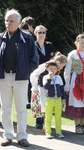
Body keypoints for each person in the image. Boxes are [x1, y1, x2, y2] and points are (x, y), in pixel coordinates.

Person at [0, 9, 39, 147]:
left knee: (21, 108)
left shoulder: (28, 39)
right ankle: (8, 135)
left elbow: (34, 60)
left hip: (21, 78)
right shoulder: (0, 38)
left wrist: (25, 72)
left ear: (18, 23)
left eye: (11, 21)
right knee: (5, 108)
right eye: (6, 21)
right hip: (3, 77)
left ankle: (22, 136)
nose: (8, 23)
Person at [30, 52, 67, 130]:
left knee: (47, 108)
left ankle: (46, 126)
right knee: (44, 107)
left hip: (49, 90)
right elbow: (33, 74)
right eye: (61, 66)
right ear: (57, 62)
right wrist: (35, 87)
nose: (61, 68)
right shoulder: (45, 66)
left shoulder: (55, 69)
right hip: (41, 88)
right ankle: (44, 126)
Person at [33, 25, 55, 129]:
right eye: (39, 32)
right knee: (38, 97)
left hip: (48, 74)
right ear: (35, 34)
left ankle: (47, 120)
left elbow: (53, 58)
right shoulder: (32, 45)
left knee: (47, 96)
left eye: (43, 32)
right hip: (37, 73)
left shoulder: (49, 45)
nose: (42, 34)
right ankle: (38, 120)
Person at [43, 61, 66, 139]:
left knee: (58, 116)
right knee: (48, 116)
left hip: (58, 100)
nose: (52, 70)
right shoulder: (45, 77)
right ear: (47, 69)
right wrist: (49, 78)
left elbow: (62, 89)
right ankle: (48, 132)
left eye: (54, 68)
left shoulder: (59, 78)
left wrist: (63, 99)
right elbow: (46, 87)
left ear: (57, 69)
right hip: (49, 99)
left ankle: (58, 132)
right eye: (50, 68)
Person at [19, 16, 36, 109]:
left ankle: (30, 100)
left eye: (28, 25)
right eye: (24, 24)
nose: (26, 26)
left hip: (30, 62)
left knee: (31, 83)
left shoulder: (33, 36)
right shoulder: (18, 32)